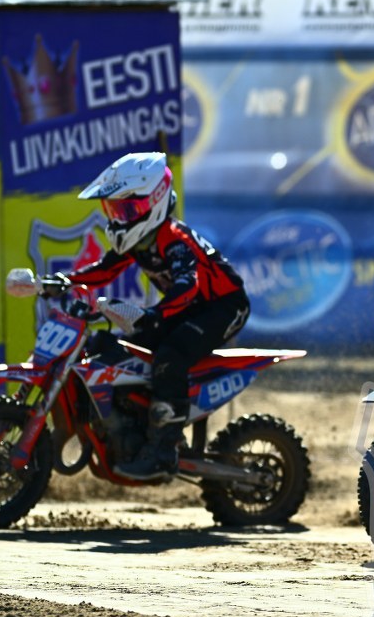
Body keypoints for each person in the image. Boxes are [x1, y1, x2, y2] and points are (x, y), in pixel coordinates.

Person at [56, 151, 249, 480]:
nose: (119, 218)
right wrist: (62, 281)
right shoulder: (139, 239)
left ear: (153, 203)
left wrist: (151, 315)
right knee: (117, 348)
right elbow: (105, 269)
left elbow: (188, 287)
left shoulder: (175, 240)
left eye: (126, 210)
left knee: (170, 357)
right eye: (114, 210)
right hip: (186, 308)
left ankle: (163, 452)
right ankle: (132, 426)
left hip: (223, 307)